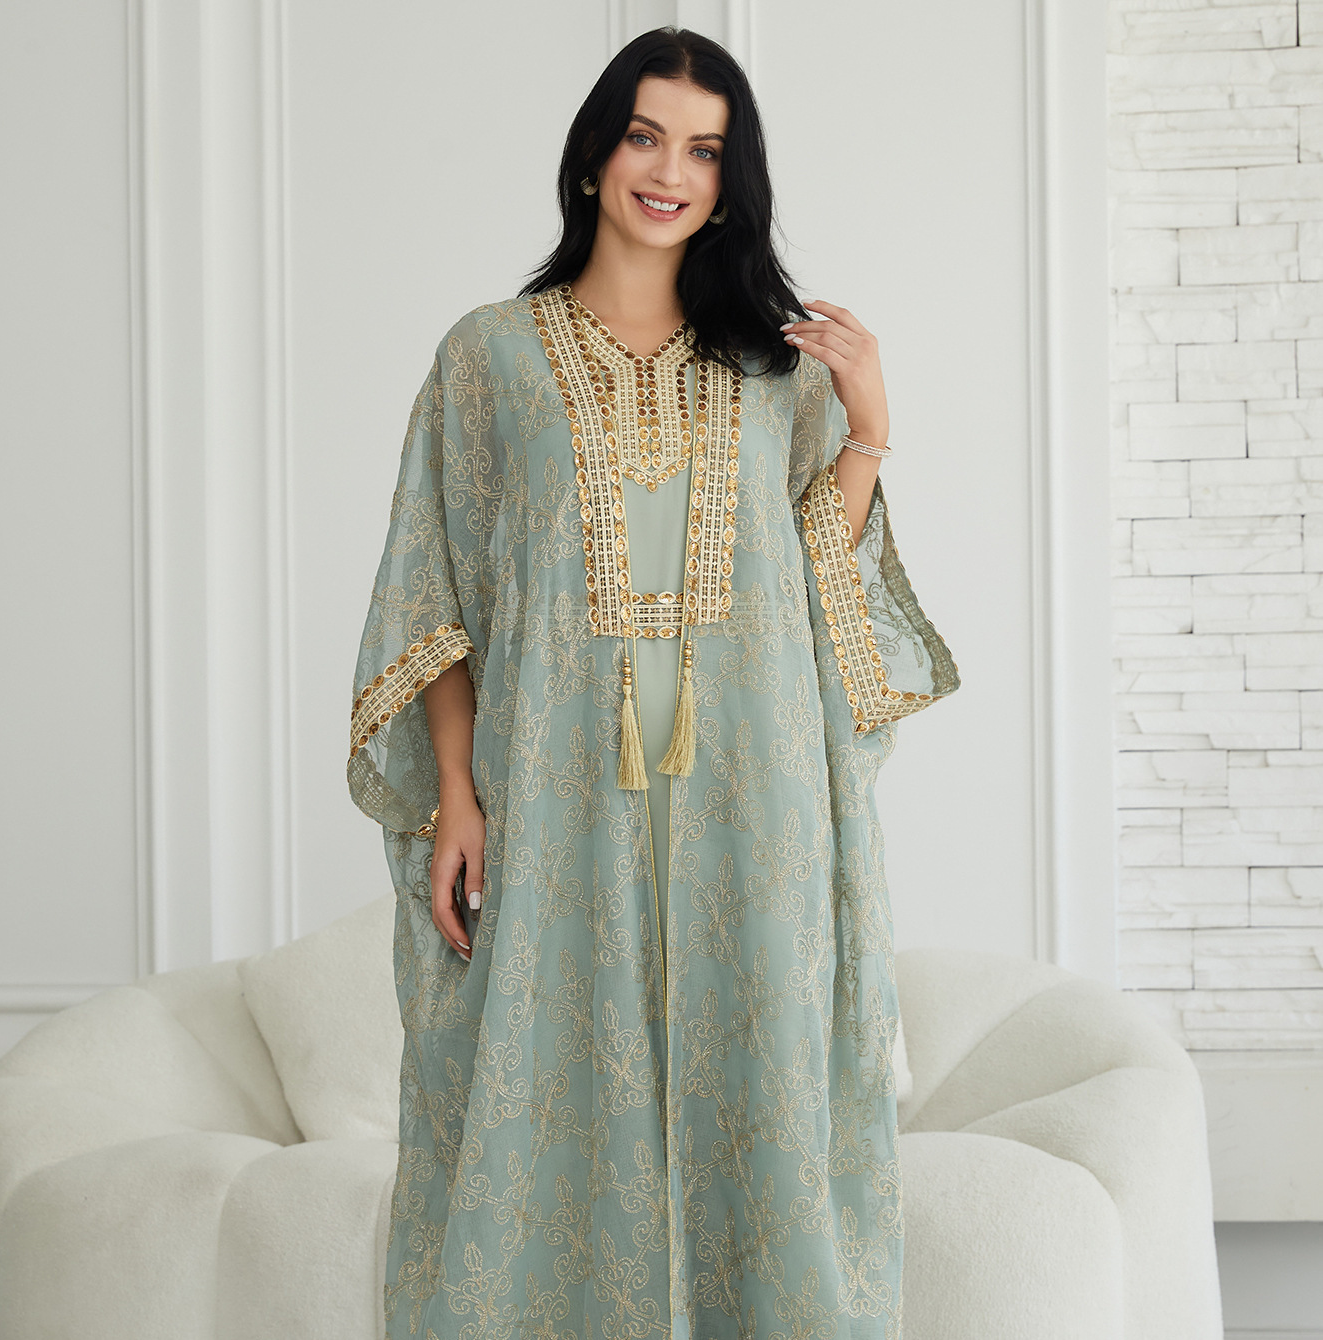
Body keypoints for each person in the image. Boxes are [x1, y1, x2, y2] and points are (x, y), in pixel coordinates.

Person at [347, 25, 958, 1338]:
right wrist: (455, 795)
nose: (670, 171)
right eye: (645, 136)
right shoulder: (490, 359)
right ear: (593, 157)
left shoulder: (774, 369)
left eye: (705, 150)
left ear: (731, 184)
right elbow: (436, 594)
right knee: (546, 1082)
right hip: (555, 795)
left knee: (758, 1087)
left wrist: (868, 432)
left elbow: (820, 593)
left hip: (753, 804)